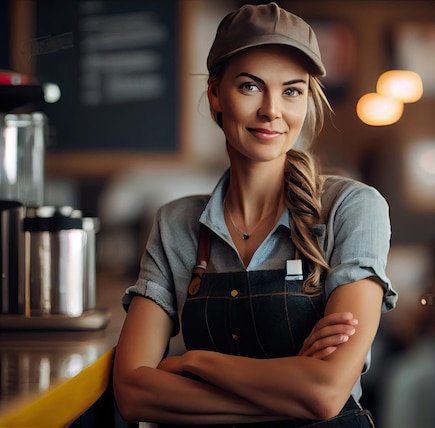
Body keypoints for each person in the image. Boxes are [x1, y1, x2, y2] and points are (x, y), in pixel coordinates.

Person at [112, 2, 397, 427]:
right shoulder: (175, 225)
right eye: (250, 86)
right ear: (215, 93)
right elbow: (133, 393)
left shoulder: (352, 208)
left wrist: (198, 364)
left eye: (291, 90)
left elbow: (325, 393)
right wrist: (291, 389)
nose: (271, 110)